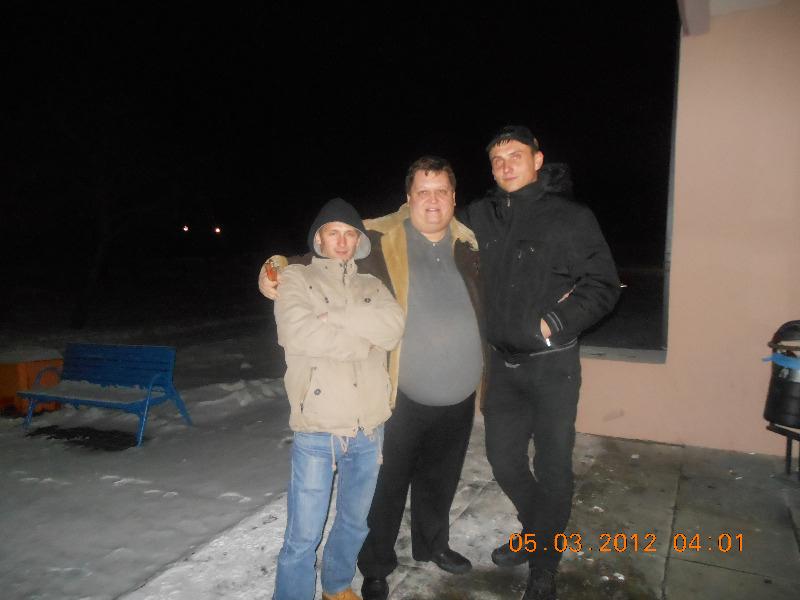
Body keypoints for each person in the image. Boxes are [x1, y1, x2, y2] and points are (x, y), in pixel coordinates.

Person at [260, 157, 485, 600]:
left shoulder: (469, 243)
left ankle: (431, 544)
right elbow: (320, 258)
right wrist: (274, 265)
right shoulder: (382, 239)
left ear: (454, 197)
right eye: (423, 191)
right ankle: (377, 567)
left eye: (441, 190)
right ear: (408, 198)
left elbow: (389, 324)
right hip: (398, 394)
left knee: (436, 481)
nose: (433, 199)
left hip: (455, 391)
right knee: (383, 492)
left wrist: (338, 323)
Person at [460, 125, 620, 600]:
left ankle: (543, 566)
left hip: (553, 368)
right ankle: (541, 534)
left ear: (537, 160)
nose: (505, 164)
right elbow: (418, 223)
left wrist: (555, 322)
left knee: (553, 467)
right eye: (497, 159)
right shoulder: (479, 216)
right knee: (503, 459)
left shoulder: (570, 217)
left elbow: (603, 284)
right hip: (502, 368)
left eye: (515, 155)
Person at [272, 197, 405, 600]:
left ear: (359, 242)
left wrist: (335, 319)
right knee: (303, 535)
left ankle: (336, 585)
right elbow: (297, 333)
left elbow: (393, 328)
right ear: (319, 239)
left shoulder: (372, 285)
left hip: (369, 428)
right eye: (334, 233)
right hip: (319, 427)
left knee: (354, 522)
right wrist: (362, 342)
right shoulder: (296, 278)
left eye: (350, 234)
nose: (343, 241)